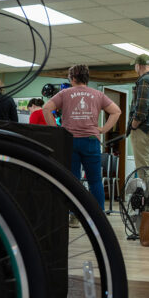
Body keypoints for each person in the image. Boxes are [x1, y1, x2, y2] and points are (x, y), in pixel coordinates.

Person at [42, 65, 121, 211]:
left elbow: (46, 108)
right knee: (95, 181)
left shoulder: (64, 93)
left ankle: (73, 215)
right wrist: (103, 129)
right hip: (91, 140)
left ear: (72, 78)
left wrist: (56, 130)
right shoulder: (97, 94)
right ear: (87, 78)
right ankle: (99, 216)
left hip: (70, 140)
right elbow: (116, 111)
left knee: (73, 181)